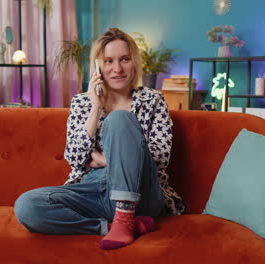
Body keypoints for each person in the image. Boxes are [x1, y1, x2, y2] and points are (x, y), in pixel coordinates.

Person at [14, 28, 184, 250]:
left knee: (120, 120)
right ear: (98, 66)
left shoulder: (153, 100)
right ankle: (113, 226)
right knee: (27, 205)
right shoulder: (82, 103)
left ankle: (126, 214)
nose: (117, 69)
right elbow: (75, 158)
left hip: (143, 192)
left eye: (124, 59)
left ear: (134, 62)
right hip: (95, 190)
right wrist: (96, 107)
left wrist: (104, 159)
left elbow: (160, 156)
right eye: (108, 61)